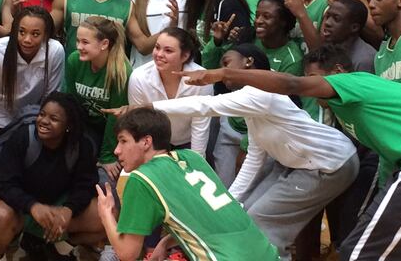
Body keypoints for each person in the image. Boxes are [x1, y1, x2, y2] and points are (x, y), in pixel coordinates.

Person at [178, 44, 401, 261]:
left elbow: (291, 83)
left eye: (314, 78)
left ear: (335, 73)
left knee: (361, 253)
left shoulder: (350, 83)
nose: (310, 86)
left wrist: (223, 73)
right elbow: (391, 153)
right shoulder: (353, 110)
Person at [139, 43, 358, 260]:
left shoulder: (260, 93)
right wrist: (229, 204)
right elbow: (254, 159)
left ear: (248, 62)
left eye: (226, 63)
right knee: (247, 215)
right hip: (299, 163)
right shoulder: (251, 105)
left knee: (263, 223)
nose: (222, 72)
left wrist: (151, 107)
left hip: (331, 164)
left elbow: (206, 105)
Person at [95, 107, 280, 261]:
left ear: (146, 142)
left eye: (123, 141)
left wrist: (106, 215)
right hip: (267, 253)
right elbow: (208, 213)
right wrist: (166, 242)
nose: (116, 150)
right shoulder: (191, 158)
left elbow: (128, 253)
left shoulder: (141, 178)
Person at [0, 5, 65, 260]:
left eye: (35, 34)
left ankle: (31, 236)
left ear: (46, 36)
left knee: (35, 176)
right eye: (21, 31)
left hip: (32, 122)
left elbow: (51, 95)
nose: (27, 39)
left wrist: (43, 130)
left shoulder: (55, 52)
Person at [0, 92, 102, 261]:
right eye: (42, 114)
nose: (44, 121)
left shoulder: (80, 145)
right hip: (20, 209)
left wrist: (69, 209)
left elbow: (86, 185)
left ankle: (59, 248)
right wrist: (32, 206)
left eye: (54, 118)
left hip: (57, 209)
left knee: (106, 213)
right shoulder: (22, 137)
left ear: (68, 126)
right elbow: (3, 184)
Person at [64, 16, 131, 190]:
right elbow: (68, 100)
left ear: (104, 44)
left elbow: (115, 117)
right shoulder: (74, 60)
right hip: (84, 124)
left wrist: (107, 156)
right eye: (78, 41)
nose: (79, 47)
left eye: (85, 42)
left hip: (110, 131)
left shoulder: (119, 71)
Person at [126, 27, 212, 154]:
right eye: (157, 47)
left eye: (168, 50)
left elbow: (200, 127)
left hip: (188, 142)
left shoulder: (201, 79)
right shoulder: (139, 77)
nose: (159, 54)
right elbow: (139, 123)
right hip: (153, 143)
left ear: (185, 56)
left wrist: (195, 163)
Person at [321, 0, 376, 73]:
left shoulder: (364, 60)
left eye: (336, 19)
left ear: (354, 27)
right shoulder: (328, 49)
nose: (327, 23)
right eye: (327, 16)